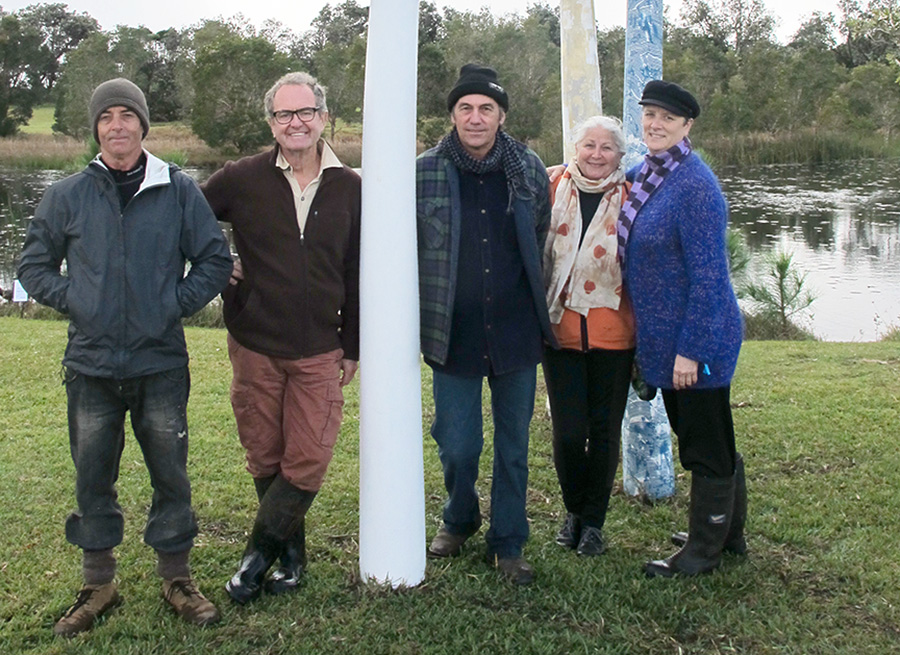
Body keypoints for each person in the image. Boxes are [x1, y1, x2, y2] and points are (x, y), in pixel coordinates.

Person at [17, 78, 232, 637]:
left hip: (160, 363)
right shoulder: (66, 195)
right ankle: (98, 583)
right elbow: (33, 266)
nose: (117, 125)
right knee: (92, 477)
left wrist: (172, 305)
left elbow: (213, 259)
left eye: (127, 115)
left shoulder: (179, 189)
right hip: (90, 366)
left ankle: (177, 579)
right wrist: (76, 300)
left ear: (143, 124)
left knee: (171, 475)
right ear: (96, 128)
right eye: (107, 116)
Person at [202, 72, 360, 604]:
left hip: (321, 345)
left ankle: (255, 560)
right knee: (264, 452)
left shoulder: (351, 187)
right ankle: (292, 557)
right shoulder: (241, 178)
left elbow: (359, 270)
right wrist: (218, 265)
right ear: (271, 122)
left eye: (305, 112)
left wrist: (354, 343)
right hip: (255, 342)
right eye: (284, 115)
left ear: (323, 116)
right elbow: (185, 220)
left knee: (308, 455)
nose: (296, 123)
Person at [416, 63, 554, 585]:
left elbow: (539, 231)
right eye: (466, 108)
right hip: (451, 332)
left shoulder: (528, 168)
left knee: (514, 445)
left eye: (486, 109)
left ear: (501, 116)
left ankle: (509, 541)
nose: (476, 118)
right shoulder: (424, 170)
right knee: (458, 443)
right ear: (452, 114)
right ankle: (460, 516)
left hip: (517, 330)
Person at [617, 80, 746, 577]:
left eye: (667, 118)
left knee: (703, 443)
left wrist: (691, 351)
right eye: (650, 114)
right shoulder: (650, 174)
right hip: (668, 338)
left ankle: (701, 553)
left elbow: (711, 278)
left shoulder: (694, 186)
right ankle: (726, 532)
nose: (655, 124)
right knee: (711, 434)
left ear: (687, 126)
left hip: (697, 339)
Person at [542, 116, 634, 557]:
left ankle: (593, 522)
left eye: (607, 148)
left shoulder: (634, 196)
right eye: (589, 145)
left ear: (620, 155)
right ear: (574, 149)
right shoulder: (552, 185)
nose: (597, 155)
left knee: (603, 432)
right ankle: (573, 511)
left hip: (614, 335)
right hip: (559, 333)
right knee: (566, 433)